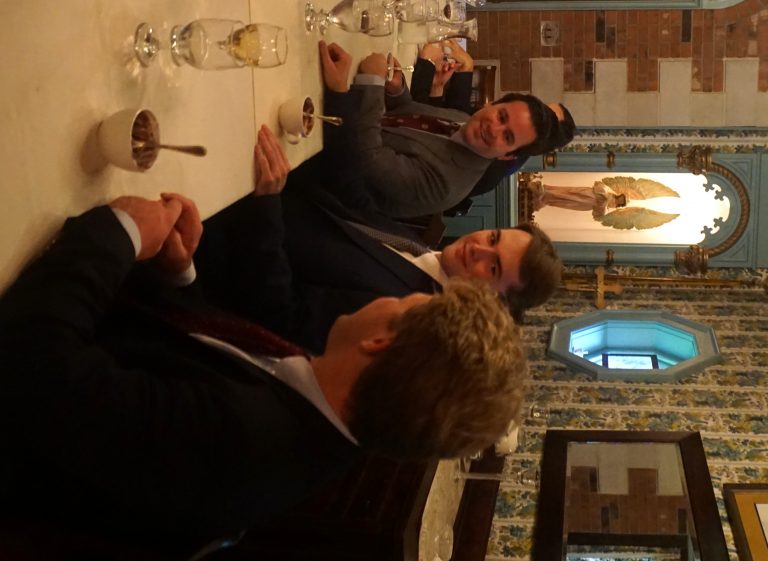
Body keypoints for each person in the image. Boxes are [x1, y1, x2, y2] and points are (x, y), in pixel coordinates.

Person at [0, 126, 528, 546]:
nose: (390, 299)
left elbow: (32, 363)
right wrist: (179, 275)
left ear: (380, 344)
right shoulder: (321, 395)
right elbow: (190, 351)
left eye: (405, 305)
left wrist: (122, 232)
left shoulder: (239, 442)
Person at [198, 124, 561, 355]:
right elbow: (349, 209)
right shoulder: (426, 253)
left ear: (495, 301)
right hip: (249, 190)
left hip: (212, 241)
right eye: (493, 237)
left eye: (493, 267)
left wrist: (265, 204)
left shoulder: (406, 315)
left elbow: (279, 313)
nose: (478, 248)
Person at [319, 41, 562, 218]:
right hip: (336, 123)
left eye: (507, 136)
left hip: (321, 162)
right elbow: (407, 112)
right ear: (492, 105)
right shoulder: (465, 122)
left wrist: (372, 81)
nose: (493, 128)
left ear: (506, 156)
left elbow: (367, 157)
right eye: (501, 115)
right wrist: (396, 88)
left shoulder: (447, 184)